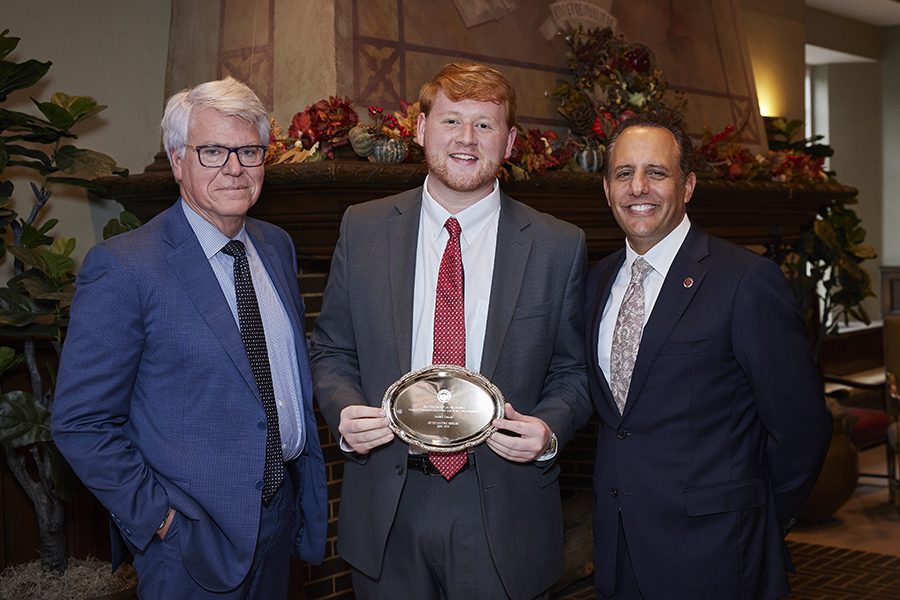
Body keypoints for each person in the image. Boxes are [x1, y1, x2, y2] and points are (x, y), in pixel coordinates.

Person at [309, 61, 593, 600]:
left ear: (509, 143)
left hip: (502, 505)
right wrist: (343, 411)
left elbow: (572, 371)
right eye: (451, 121)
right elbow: (331, 350)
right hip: (388, 498)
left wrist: (549, 429)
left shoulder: (558, 245)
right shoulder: (363, 228)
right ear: (419, 130)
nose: (466, 139)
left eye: (485, 125)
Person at [51, 77, 327, 600]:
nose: (234, 167)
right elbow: (81, 423)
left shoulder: (276, 246)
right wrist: (162, 522)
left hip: (279, 521)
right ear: (178, 161)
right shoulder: (124, 267)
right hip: (189, 544)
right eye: (213, 151)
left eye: (249, 150)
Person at [585, 112, 833, 600]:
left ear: (689, 185)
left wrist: (758, 520)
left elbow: (800, 427)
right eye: (623, 174)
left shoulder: (746, 279)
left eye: (656, 172)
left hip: (719, 557)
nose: (639, 187)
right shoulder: (595, 281)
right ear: (607, 190)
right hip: (619, 555)